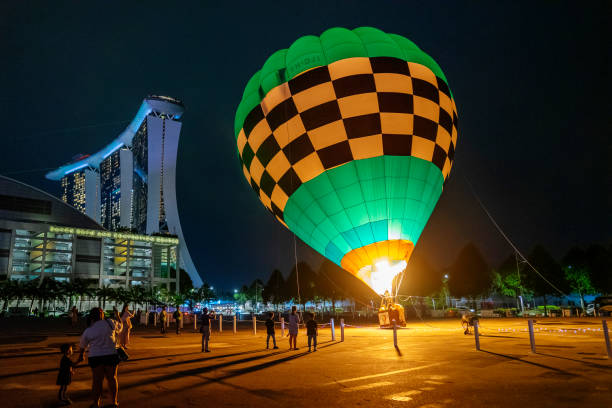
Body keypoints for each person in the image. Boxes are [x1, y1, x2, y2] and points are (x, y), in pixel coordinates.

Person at [78, 307, 123, 408]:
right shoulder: (110, 322)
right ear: (101, 314)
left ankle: (95, 403)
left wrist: (81, 355)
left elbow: (82, 344)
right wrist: (118, 315)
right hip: (111, 355)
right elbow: (120, 328)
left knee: (97, 381)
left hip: (95, 356)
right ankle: (114, 402)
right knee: (112, 378)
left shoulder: (89, 329)